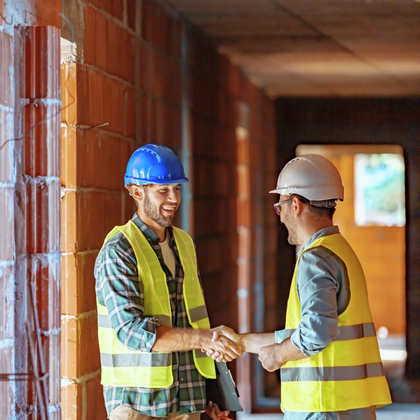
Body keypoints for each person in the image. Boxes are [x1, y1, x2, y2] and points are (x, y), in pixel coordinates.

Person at [206, 155, 392, 419]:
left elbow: (316, 333)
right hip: (344, 406)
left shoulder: (314, 259)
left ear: (295, 204)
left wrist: (278, 356)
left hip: (322, 406)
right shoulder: (340, 250)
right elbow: (302, 331)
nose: (280, 217)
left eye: (279, 206)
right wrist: (241, 342)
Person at [95, 144, 242, 420]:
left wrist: (211, 391)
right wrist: (203, 339)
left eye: (177, 188)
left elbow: (192, 320)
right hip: (138, 404)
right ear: (137, 192)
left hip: (186, 401)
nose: (174, 198)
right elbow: (130, 330)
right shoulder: (119, 251)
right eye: (163, 190)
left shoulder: (184, 243)